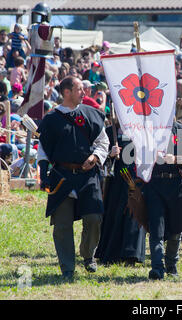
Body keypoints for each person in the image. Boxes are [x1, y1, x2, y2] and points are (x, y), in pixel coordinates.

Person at [37, 76, 109, 280]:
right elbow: (43, 149)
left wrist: (95, 157)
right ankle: (67, 267)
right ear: (66, 92)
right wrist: (43, 173)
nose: (84, 93)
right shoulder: (51, 119)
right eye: (79, 89)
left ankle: (88, 255)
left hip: (88, 175)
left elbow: (103, 142)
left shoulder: (92, 114)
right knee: (62, 225)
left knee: (94, 218)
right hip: (62, 177)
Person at [142, 120, 182, 280]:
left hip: (177, 184)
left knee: (176, 227)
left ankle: (171, 265)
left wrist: (175, 158)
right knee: (156, 228)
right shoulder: (149, 130)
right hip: (155, 184)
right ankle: (157, 267)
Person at [95, 117, 146, 266]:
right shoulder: (111, 132)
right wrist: (110, 154)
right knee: (115, 213)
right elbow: (99, 158)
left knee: (134, 215)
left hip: (137, 179)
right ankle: (112, 253)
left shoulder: (143, 131)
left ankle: (131, 254)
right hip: (117, 179)